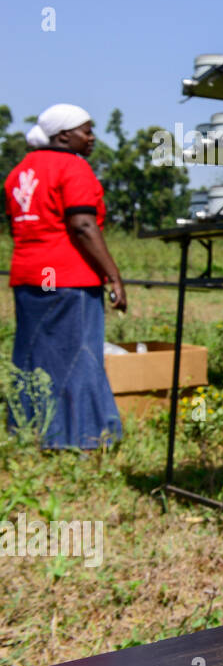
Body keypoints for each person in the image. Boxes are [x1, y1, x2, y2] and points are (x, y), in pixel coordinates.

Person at [4, 104, 127, 449]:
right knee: (78, 355)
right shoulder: (73, 167)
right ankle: (81, 436)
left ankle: (28, 431)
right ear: (63, 136)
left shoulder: (18, 172)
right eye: (85, 131)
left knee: (34, 354)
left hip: (31, 275)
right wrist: (113, 276)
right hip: (68, 276)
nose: (91, 138)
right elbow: (83, 225)